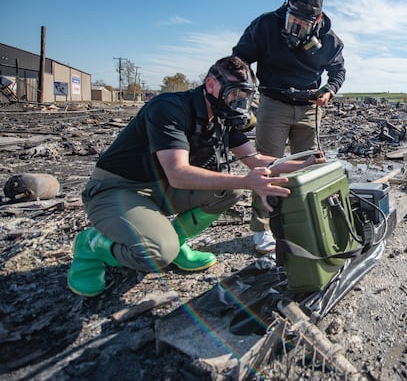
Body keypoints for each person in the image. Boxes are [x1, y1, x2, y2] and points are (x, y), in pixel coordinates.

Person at [67, 55, 325, 297]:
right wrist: (247, 181)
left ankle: (175, 242)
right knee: (156, 254)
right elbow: (179, 174)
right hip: (118, 189)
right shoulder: (169, 107)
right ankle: (92, 246)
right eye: (234, 93)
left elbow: (255, 159)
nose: (238, 101)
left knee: (229, 191)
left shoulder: (225, 116)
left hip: (160, 188)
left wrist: (304, 163)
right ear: (211, 84)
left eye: (244, 95)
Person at [232, 0, 346, 254]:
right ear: (287, 7)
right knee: (267, 167)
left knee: (307, 167)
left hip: (309, 107)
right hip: (273, 104)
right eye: (293, 17)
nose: (296, 25)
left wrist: (329, 91)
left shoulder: (329, 40)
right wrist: (242, 90)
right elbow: (240, 59)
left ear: (317, 19)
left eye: (304, 21)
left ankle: (303, 222)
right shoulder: (265, 26)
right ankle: (261, 229)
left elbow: (338, 71)